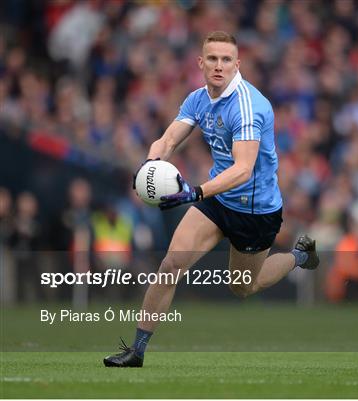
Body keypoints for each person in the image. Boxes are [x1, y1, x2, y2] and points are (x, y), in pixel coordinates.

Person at [104, 31, 319, 367]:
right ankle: (136, 351)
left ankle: (299, 256)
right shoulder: (198, 99)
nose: (219, 66)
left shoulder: (249, 105)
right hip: (218, 202)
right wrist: (150, 163)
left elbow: (244, 169)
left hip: (255, 210)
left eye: (226, 59)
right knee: (170, 265)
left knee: (243, 287)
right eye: (213, 59)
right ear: (201, 63)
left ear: (237, 64)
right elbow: (169, 138)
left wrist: (197, 192)